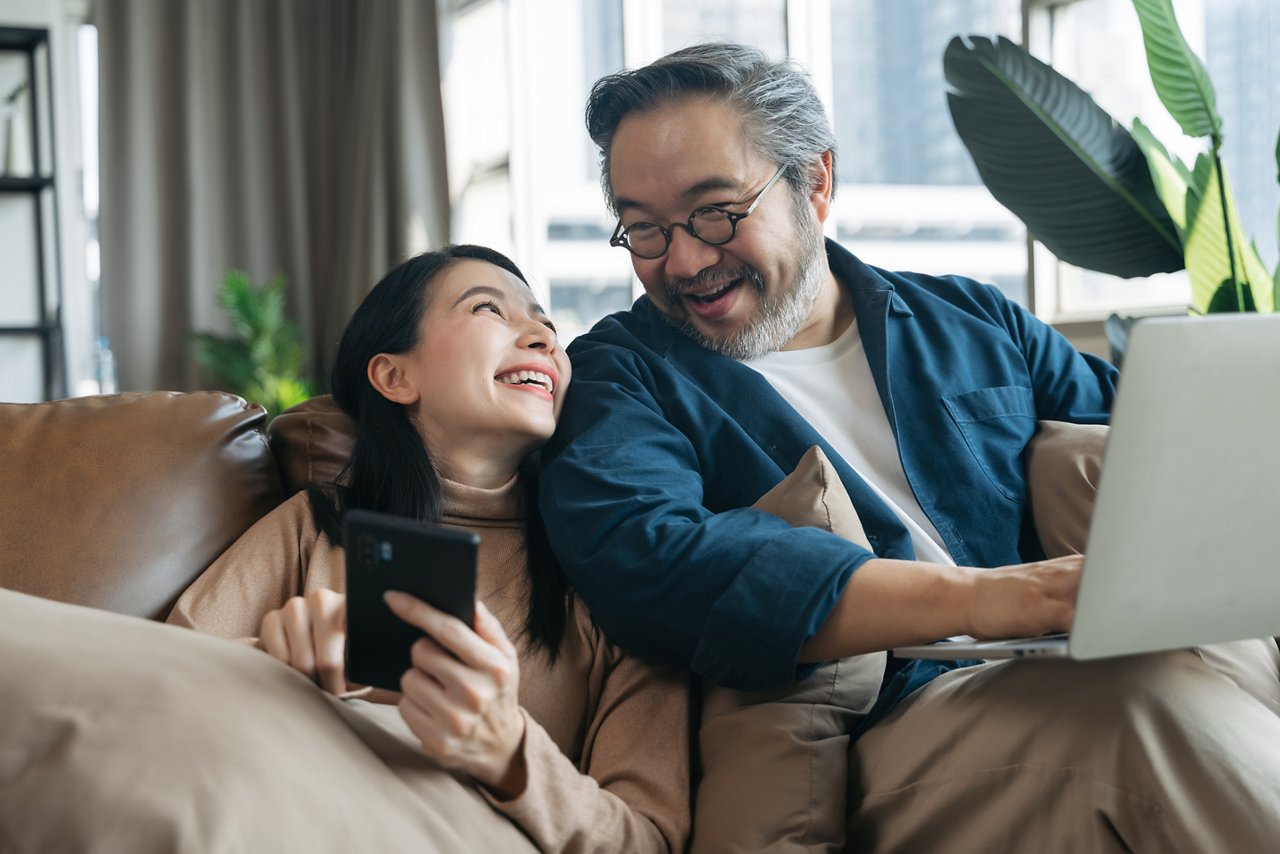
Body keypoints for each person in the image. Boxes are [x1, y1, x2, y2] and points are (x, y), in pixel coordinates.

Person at [538, 42, 1280, 852]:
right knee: (1147, 713)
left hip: (1071, 670)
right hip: (885, 727)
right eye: (643, 231)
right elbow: (648, 556)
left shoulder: (970, 319)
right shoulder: (622, 378)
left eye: (715, 212)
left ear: (815, 182)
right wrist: (985, 599)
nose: (681, 261)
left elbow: (1153, 454)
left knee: (1186, 674)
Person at [3, 245, 690, 854]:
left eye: (544, 320)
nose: (541, 334)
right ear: (394, 377)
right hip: (269, 809)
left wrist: (508, 749)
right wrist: (274, 670)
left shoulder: (616, 566)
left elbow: (646, 839)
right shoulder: (318, 525)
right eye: (491, 309)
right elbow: (162, 688)